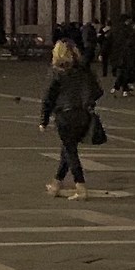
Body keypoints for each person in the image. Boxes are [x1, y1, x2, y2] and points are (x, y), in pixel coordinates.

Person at [39, 40, 101, 200]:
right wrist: (88, 102)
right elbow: (98, 90)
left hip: (65, 115)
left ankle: (80, 186)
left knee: (70, 151)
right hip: (83, 114)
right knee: (67, 148)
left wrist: (43, 120)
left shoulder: (57, 72)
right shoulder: (83, 70)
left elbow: (48, 97)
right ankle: (56, 183)